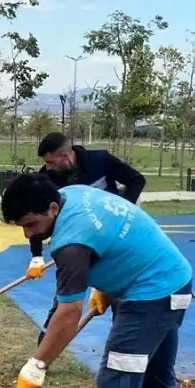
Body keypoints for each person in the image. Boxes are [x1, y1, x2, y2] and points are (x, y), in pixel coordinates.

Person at [3, 173, 193, 388]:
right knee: (156, 377)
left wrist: (37, 364)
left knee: (117, 384)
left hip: (150, 296)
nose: (29, 234)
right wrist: (109, 280)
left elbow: (68, 313)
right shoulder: (71, 194)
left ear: (52, 207)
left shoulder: (70, 244)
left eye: (31, 224)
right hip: (171, 281)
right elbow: (107, 237)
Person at [24, 132, 148, 342]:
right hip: (75, 245)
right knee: (65, 299)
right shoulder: (47, 179)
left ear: (66, 156)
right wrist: (36, 255)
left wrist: (124, 210)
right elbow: (36, 216)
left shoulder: (100, 161)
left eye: (51, 162)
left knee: (120, 293)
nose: (49, 167)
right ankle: (42, 351)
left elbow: (137, 180)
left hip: (113, 243)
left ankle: (127, 343)